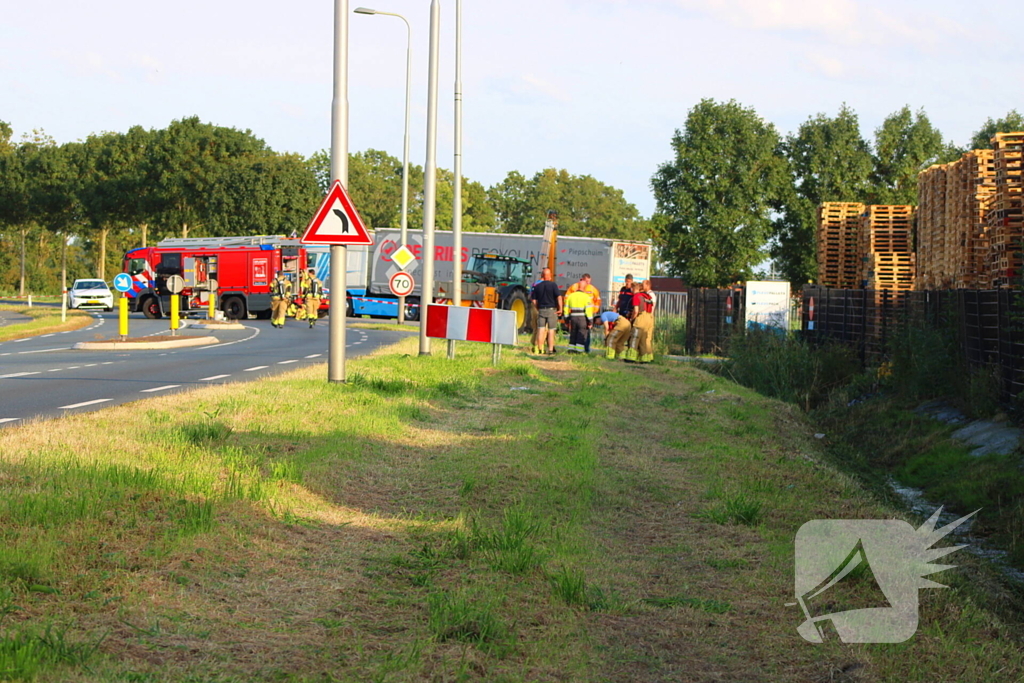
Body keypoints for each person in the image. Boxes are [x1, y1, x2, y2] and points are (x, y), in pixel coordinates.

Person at [530, 267, 563, 355]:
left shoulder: (537, 286)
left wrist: (537, 308)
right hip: (551, 310)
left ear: (542, 276)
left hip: (541, 310)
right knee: (551, 331)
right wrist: (560, 309)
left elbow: (533, 300)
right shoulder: (553, 285)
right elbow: (559, 297)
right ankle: (550, 350)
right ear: (550, 276)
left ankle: (540, 349)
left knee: (540, 329)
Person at [566, 274, 601, 353]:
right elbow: (567, 299)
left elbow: (597, 300)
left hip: (588, 313)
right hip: (577, 313)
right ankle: (577, 349)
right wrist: (569, 313)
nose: (588, 283)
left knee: (586, 332)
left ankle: (585, 348)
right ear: (582, 280)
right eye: (586, 281)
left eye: (589, 281)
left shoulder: (593, 289)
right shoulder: (574, 287)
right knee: (576, 332)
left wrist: (594, 311)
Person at [626, 279, 656, 363]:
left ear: (633, 288)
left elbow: (636, 310)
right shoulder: (647, 296)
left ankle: (631, 357)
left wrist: (632, 319)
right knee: (643, 340)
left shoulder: (636, 296)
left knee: (635, 337)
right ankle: (645, 358)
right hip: (649, 318)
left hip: (641, 318)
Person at [606, 280, 637, 360]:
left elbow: (634, 304)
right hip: (621, 313)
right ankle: (618, 353)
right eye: (626, 282)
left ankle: (626, 354)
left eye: (629, 282)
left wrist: (631, 314)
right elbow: (619, 301)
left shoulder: (634, 293)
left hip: (628, 315)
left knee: (627, 334)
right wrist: (615, 308)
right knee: (619, 334)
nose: (627, 284)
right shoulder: (623, 289)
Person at [563, 284, 596, 354]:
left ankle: (571, 349)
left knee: (573, 333)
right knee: (581, 333)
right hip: (582, 318)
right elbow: (588, 311)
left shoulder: (571, 296)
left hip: (573, 317)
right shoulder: (586, 297)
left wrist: (566, 319)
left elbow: (566, 308)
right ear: (584, 289)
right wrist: (590, 321)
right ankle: (579, 351)